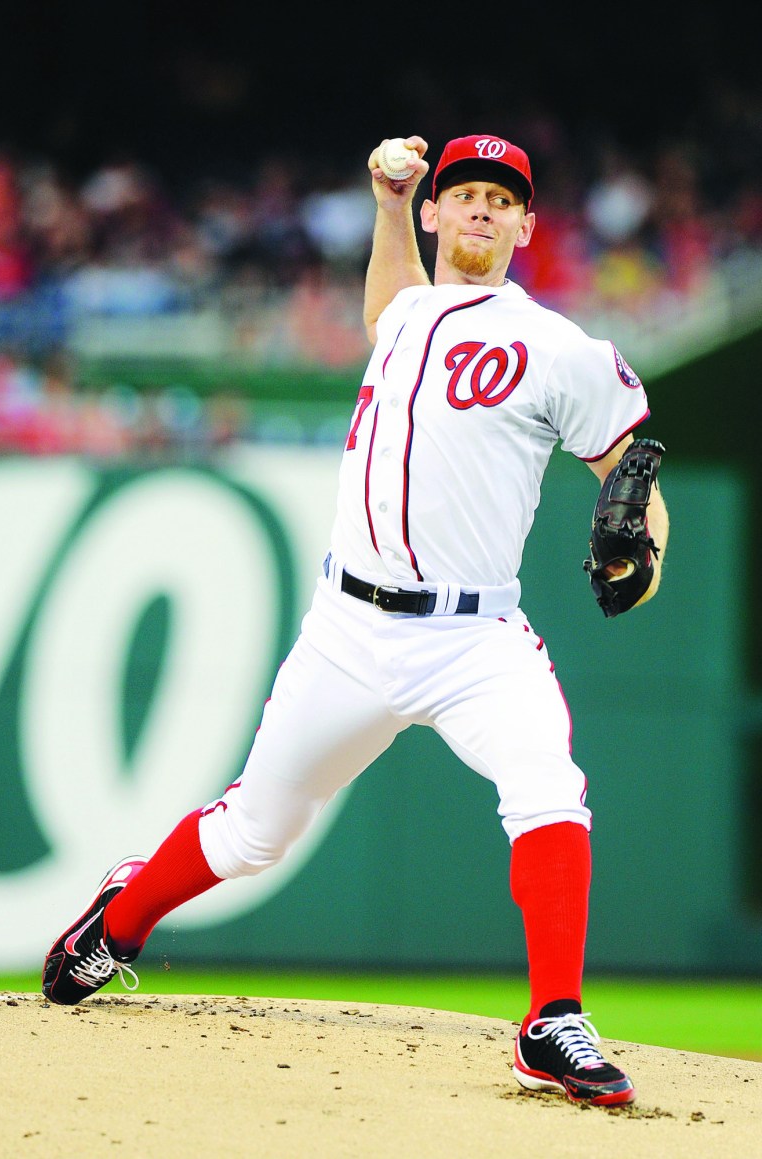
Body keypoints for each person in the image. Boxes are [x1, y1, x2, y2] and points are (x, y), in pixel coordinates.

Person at [42, 132, 669, 1107]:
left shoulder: (555, 346)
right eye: (462, 193)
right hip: (349, 630)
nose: (479, 210)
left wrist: (646, 554)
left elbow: (631, 466)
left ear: (527, 225)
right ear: (435, 213)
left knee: (548, 782)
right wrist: (386, 202)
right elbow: (386, 308)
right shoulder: (410, 311)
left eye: (501, 200)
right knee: (255, 831)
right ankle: (116, 926)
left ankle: (554, 1020)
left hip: (476, 638)